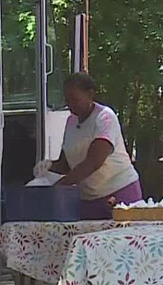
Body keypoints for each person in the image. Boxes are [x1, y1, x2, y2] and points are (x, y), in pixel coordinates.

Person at [35, 73, 143, 218]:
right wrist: (49, 166)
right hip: (88, 199)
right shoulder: (71, 122)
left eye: (74, 99)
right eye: (67, 99)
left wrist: (57, 189)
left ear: (90, 94)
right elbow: (68, 163)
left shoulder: (105, 118)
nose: (70, 104)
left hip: (120, 194)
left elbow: (93, 162)